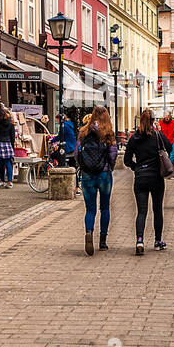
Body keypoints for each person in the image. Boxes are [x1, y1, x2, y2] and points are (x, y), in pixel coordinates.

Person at [123, 107, 171, 254]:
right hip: (156, 177)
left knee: (141, 211)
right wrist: (160, 131)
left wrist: (136, 167)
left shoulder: (134, 138)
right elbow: (170, 147)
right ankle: (157, 240)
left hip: (141, 177)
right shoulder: (157, 135)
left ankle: (140, 240)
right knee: (157, 209)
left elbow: (126, 160)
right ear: (153, 121)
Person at [77, 104, 118, 256]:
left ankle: (89, 232)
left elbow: (77, 153)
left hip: (87, 174)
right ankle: (103, 241)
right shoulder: (108, 133)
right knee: (105, 207)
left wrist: (84, 166)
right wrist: (109, 166)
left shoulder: (83, 132)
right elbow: (113, 154)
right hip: (104, 174)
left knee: (90, 209)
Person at [0, 105, 16, 188]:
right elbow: (12, 137)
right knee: (8, 163)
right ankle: (9, 182)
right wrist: (12, 147)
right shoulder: (10, 124)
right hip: (7, 144)